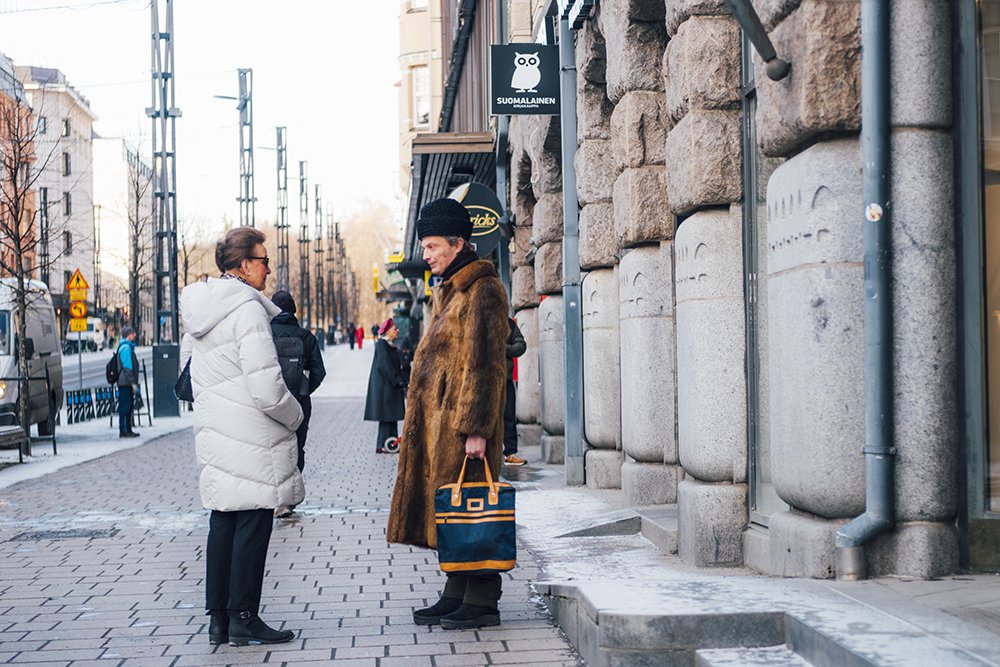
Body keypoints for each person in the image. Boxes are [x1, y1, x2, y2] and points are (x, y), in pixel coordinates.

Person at [387, 197, 509, 630]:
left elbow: (485, 363)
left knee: (472, 509)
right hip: (441, 424)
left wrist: (476, 428)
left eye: (433, 246)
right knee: (452, 512)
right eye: (425, 246)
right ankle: (456, 592)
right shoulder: (451, 288)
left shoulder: (482, 289)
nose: (427, 254)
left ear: (458, 243)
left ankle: (483, 601)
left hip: (463, 427)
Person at [180, 226, 304, 647]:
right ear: (245, 265)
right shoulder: (247, 310)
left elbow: (190, 377)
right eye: (265, 260)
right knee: (252, 524)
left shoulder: (200, 310)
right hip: (252, 436)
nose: (269, 269)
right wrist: (296, 415)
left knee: (223, 523)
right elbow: (268, 389)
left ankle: (219, 619)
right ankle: (245, 618)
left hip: (217, 432)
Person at [269, 290, 327, 518]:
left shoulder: (265, 334)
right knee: (296, 448)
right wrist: (303, 390)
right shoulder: (306, 337)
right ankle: (288, 500)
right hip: (299, 404)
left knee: (271, 450)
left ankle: (272, 498)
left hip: (270, 403)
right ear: (293, 310)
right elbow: (319, 372)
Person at [364, 317, 406, 453]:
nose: (397, 331)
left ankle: (391, 443)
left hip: (389, 387)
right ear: (388, 331)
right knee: (387, 416)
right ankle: (383, 444)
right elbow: (384, 365)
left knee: (391, 416)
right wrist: (397, 380)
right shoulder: (382, 345)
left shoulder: (389, 345)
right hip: (385, 388)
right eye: (395, 329)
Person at [503, 318, 527, 466]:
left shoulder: (509, 323)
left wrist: (504, 349)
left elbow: (521, 345)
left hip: (505, 379)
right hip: (484, 380)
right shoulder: (478, 319)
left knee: (509, 417)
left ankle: (511, 453)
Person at [116, 326, 140, 438]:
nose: (134, 335)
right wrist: (133, 383)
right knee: (125, 406)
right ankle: (124, 430)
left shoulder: (127, 347)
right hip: (125, 382)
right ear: (128, 335)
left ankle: (127, 429)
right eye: (132, 333)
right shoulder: (125, 348)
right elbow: (127, 367)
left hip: (126, 382)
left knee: (128, 406)